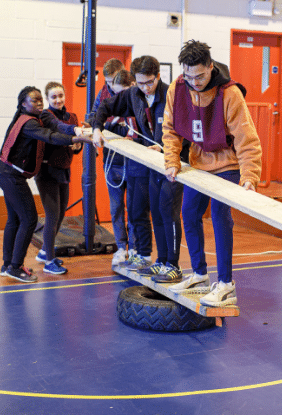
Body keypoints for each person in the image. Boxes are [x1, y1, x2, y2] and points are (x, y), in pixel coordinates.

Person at [162, 40, 262, 306]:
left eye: (200, 76)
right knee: (189, 213)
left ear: (210, 67)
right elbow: (170, 128)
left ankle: (226, 284)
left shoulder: (229, 94)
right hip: (197, 162)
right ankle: (199, 274)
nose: (194, 82)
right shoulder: (178, 87)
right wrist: (171, 159)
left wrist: (250, 176)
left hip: (227, 164)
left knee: (219, 217)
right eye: (189, 75)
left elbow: (246, 138)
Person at [93, 56, 187, 282]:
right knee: (155, 211)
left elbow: (185, 132)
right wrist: (97, 128)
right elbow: (105, 105)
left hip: (174, 163)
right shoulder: (134, 94)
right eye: (141, 83)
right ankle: (161, 261)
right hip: (152, 164)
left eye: (150, 82)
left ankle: (172, 264)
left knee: (169, 213)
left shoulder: (173, 94)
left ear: (159, 76)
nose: (145, 88)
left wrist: (165, 148)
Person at [0, 86, 91, 283]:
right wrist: (76, 137)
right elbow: (50, 136)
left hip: (10, 174)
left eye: (40, 100)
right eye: (35, 101)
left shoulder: (41, 116)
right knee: (29, 219)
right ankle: (15, 267)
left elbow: (57, 126)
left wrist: (76, 130)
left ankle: (7, 264)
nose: (39, 103)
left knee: (14, 220)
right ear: (23, 104)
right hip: (9, 175)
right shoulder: (29, 123)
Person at [88, 59, 137, 267]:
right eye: (108, 82)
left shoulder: (135, 95)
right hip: (112, 159)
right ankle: (121, 247)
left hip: (134, 159)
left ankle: (135, 248)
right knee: (116, 207)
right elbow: (92, 117)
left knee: (136, 208)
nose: (111, 86)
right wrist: (112, 124)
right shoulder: (104, 94)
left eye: (114, 81)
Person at [34, 81, 84, 275]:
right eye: (54, 97)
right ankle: (49, 261)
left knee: (61, 214)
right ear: (48, 99)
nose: (58, 99)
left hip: (64, 169)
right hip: (47, 171)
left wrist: (78, 146)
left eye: (60, 96)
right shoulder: (47, 115)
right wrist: (75, 133)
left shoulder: (72, 116)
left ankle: (45, 251)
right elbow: (60, 128)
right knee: (52, 216)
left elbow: (75, 144)